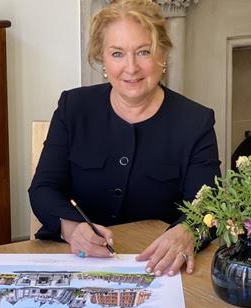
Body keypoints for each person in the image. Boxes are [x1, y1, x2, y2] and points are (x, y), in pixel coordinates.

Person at [28, 0, 220, 277]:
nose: (131, 68)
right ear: (102, 58)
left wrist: (186, 232)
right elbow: (43, 189)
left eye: (144, 52)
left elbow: (208, 207)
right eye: (117, 54)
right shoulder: (73, 108)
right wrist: (72, 230)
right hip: (79, 265)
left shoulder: (196, 122)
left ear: (163, 54)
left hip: (158, 271)